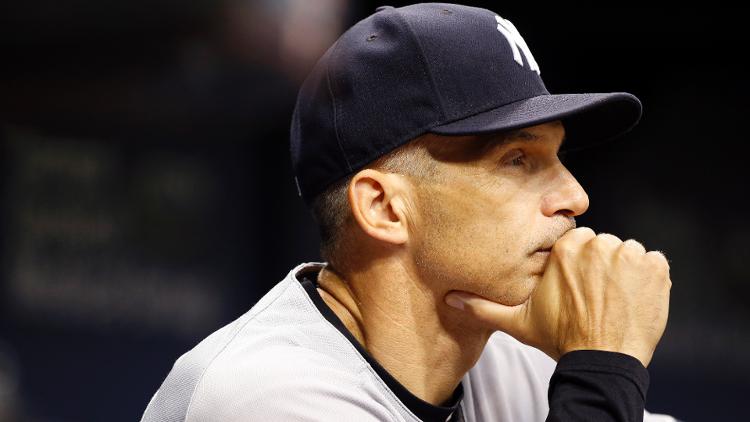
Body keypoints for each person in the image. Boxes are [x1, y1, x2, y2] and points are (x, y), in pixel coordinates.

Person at [141, 3, 677, 421]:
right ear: (384, 208)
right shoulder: (263, 396)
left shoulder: (504, 357)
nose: (576, 196)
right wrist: (606, 366)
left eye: (557, 157)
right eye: (518, 159)